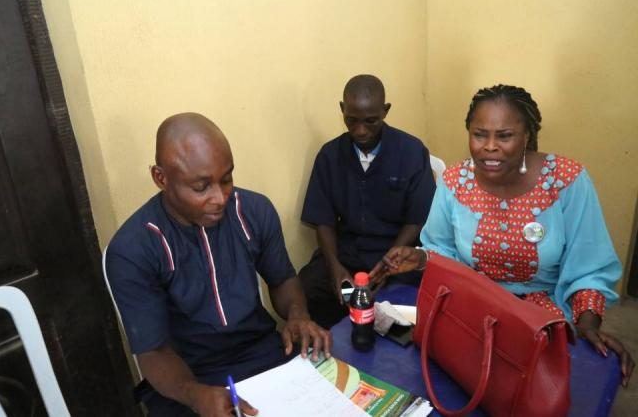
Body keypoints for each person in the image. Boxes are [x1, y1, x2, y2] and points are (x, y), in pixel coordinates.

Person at [370, 84, 634, 387]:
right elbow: (442, 251)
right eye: (479, 134)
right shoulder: (455, 181)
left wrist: (588, 322)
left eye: (505, 136)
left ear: (527, 136)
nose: (489, 147)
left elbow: (590, 266)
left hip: (542, 318)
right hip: (472, 310)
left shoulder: (566, 181)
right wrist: (420, 258)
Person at [105, 113, 331, 417]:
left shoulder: (254, 210)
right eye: (201, 187)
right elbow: (154, 351)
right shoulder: (133, 248)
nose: (220, 197)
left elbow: (283, 280)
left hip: (262, 353)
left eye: (227, 179)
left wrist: (298, 314)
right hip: (187, 377)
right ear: (161, 178)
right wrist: (196, 396)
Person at [299, 74, 437, 328]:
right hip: (347, 254)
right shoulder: (330, 156)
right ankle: (336, 348)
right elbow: (323, 221)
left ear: (385, 111)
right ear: (342, 110)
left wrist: (389, 263)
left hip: (396, 253)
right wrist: (335, 268)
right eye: (351, 120)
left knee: (400, 306)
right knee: (307, 289)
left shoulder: (411, 151)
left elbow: (417, 220)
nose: (360, 130)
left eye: (370, 121)